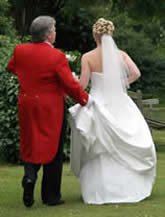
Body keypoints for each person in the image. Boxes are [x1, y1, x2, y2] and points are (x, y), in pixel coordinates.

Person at [69, 18, 156, 204]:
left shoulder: (88, 57)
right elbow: (136, 73)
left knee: (100, 146)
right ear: (110, 34)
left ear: (95, 35)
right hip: (120, 103)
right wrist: (119, 83)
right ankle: (128, 188)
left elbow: (83, 84)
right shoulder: (121, 55)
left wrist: (72, 80)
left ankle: (100, 190)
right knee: (125, 141)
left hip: (98, 103)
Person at [7, 16, 91, 207]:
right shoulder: (57, 56)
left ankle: (29, 177)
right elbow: (70, 85)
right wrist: (85, 99)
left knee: (30, 142)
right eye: (54, 29)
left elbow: (11, 67)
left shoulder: (20, 50)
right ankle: (51, 196)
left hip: (27, 104)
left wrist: (30, 79)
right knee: (53, 147)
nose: (55, 32)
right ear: (48, 34)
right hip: (50, 107)